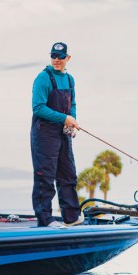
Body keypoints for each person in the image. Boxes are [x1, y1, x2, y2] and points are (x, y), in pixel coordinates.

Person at [31, 42, 84, 228]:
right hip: (44, 134)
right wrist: (64, 118)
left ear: (67, 58)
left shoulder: (69, 80)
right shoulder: (43, 78)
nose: (56, 60)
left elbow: (72, 104)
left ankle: (71, 216)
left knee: (68, 174)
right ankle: (45, 219)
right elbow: (38, 108)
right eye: (53, 56)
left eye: (60, 57)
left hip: (63, 133)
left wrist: (72, 120)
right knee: (45, 176)